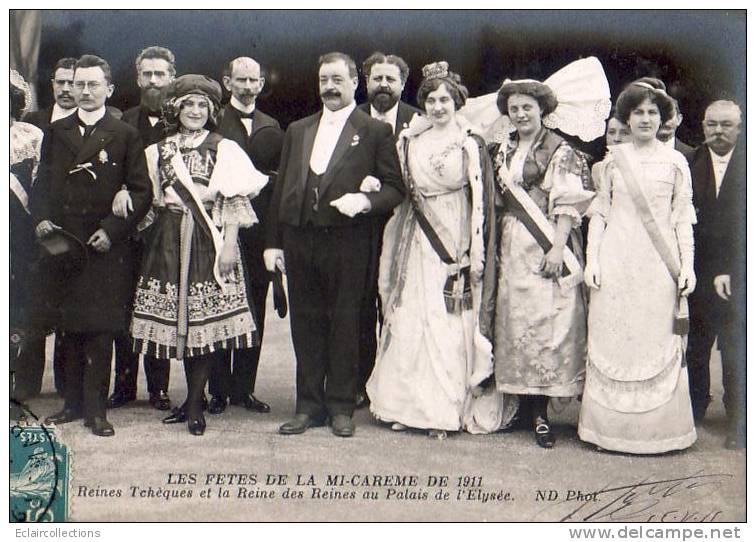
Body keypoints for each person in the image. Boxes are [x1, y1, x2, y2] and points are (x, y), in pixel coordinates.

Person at [264, 52, 404, 438]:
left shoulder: (374, 131)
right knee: (305, 323)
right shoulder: (298, 129)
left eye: (337, 80)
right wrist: (273, 243)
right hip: (300, 238)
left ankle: (341, 406)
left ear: (354, 83)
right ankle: (308, 406)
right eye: (324, 80)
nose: (329, 87)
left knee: (345, 323)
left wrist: (365, 201)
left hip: (348, 241)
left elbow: (395, 188)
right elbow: (282, 189)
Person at [366, 61, 505, 438]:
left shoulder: (469, 141)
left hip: (455, 231)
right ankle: (409, 406)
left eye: (445, 99)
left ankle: (445, 409)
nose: (437, 107)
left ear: (457, 102)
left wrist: (475, 249)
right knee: (413, 313)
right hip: (417, 236)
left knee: (450, 317)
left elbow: (481, 199)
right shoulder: (411, 140)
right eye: (430, 100)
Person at [130, 74, 268, 436]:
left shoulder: (224, 148)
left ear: (211, 111)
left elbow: (234, 201)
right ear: (175, 108)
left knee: (203, 323)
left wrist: (227, 247)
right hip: (168, 238)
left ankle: (194, 402)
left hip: (210, 237)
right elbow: (149, 198)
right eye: (188, 104)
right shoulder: (158, 151)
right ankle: (190, 398)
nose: (194, 110)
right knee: (181, 322)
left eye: (202, 105)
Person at [488, 58, 608, 449]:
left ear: (542, 111)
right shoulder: (500, 151)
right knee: (514, 322)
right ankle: (519, 405)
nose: (520, 114)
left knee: (546, 323)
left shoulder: (561, 151)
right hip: (509, 247)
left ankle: (541, 411)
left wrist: (557, 246)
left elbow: (567, 203)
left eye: (527, 107)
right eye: (514, 108)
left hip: (545, 246)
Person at [32, 55, 153, 437]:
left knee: (101, 330)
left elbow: (141, 190)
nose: (84, 92)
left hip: (103, 246)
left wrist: (113, 229)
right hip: (64, 243)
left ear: (109, 90)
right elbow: (42, 186)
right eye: (78, 84)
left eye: (93, 85)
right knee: (69, 326)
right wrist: (41, 220)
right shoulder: (55, 132)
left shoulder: (124, 134)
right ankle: (70, 404)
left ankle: (97, 411)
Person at [579, 80, 697, 454]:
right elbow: (600, 213)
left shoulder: (677, 161)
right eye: (638, 112)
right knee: (615, 339)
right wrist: (592, 260)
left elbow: (681, 218)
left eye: (652, 112)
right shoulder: (614, 160)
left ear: (663, 118)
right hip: (616, 262)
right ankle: (607, 432)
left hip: (657, 269)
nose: (645, 119)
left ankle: (658, 435)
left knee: (653, 341)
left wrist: (687, 267)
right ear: (626, 119)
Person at [207, 56, 284, 416]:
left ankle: (244, 390)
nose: (249, 87)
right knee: (222, 305)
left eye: (255, 80)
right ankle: (218, 390)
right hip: (222, 228)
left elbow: (279, 183)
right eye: (242, 80)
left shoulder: (272, 125)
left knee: (255, 309)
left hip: (259, 230)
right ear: (227, 82)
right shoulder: (216, 121)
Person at [108, 45, 177, 412]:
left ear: (171, 78)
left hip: (166, 233)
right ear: (138, 78)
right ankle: (124, 386)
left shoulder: (183, 121)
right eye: (147, 74)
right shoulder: (120, 122)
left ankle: (159, 389)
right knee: (125, 308)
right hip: (129, 233)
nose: (153, 81)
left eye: (160, 74)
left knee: (159, 307)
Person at [355, 52, 421, 409]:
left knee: (403, 306)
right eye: (376, 78)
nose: (383, 85)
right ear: (366, 82)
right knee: (362, 305)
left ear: (402, 83)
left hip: (409, 227)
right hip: (360, 228)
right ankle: (363, 383)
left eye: (390, 79)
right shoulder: (352, 119)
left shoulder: (419, 121)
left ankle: (398, 385)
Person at [687, 100, 745, 449]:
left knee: (736, 346)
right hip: (698, 270)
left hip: (739, 272)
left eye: (726, 125)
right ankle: (694, 411)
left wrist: (731, 268)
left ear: (740, 128)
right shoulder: (690, 160)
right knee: (696, 344)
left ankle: (739, 419)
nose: (718, 131)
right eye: (712, 125)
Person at [10, 70, 44, 411]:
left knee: (20, 308)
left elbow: (40, 188)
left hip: (19, 238)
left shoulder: (30, 136)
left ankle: (21, 385)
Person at [23, 57, 78, 132]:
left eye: (72, 83)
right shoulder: (32, 120)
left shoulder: (91, 123)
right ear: (53, 84)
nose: (65, 89)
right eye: (60, 82)